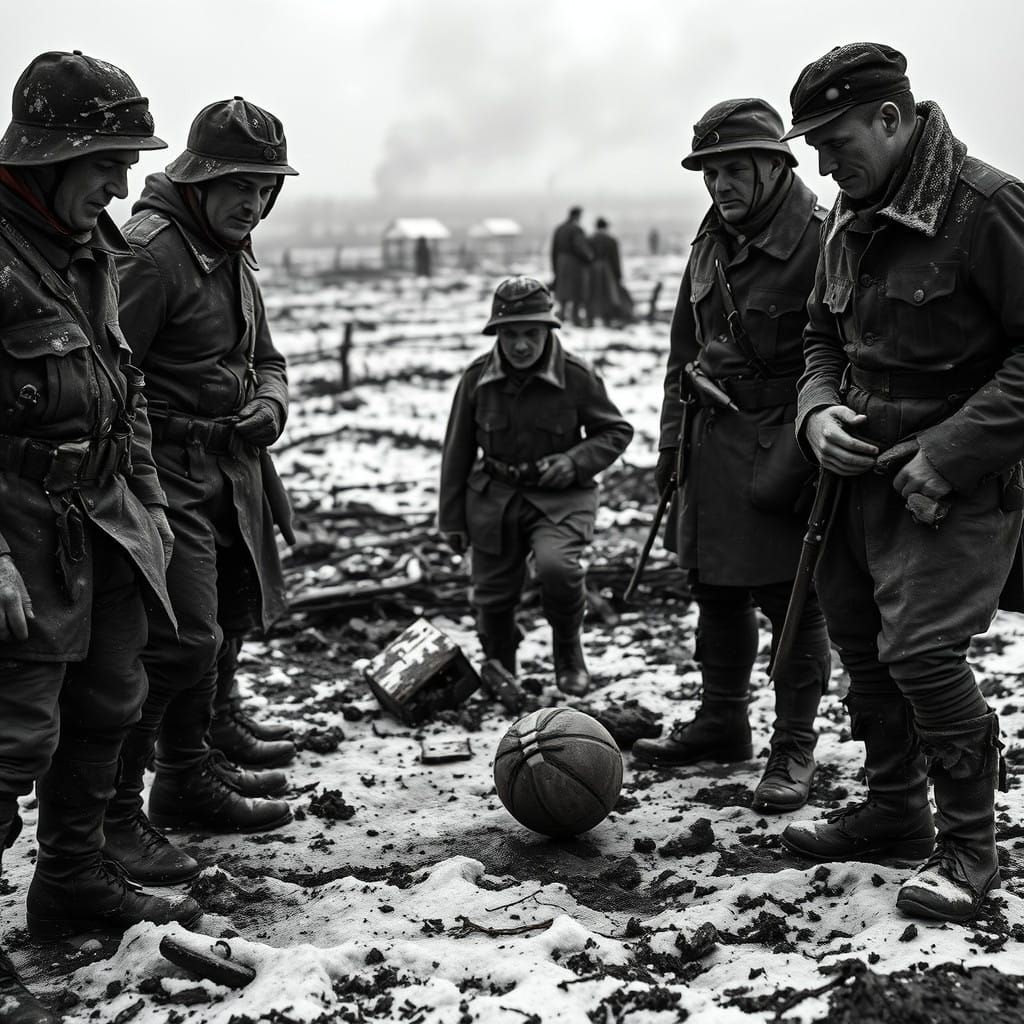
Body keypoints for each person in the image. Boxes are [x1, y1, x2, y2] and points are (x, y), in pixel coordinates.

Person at [777, 42, 1024, 924]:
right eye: (813, 146)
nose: (821, 165)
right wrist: (816, 413)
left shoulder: (987, 207)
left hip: (954, 484)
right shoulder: (851, 211)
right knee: (864, 643)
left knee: (921, 651)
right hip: (856, 479)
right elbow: (821, 338)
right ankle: (894, 811)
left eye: (833, 141)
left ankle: (968, 850)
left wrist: (949, 453)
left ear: (890, 118)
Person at [0, 50, 202, 1020]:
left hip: (107, 516)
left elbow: (128, 390)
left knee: (111, 702)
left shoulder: (88, 246)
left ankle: (71, 880)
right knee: (12, 737)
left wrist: (150, 504)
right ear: (46, 161)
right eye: (107, 163)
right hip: (19, 526)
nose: (121, 185)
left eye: (129, 163)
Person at [106, 97, 300, 887]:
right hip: (169, 471)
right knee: (182, 639)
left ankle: (191, 768)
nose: (252, 201)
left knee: (233, 610)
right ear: (198, 180)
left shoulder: (231, 249)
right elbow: (109, 381)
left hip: (232, 469)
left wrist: (271, 403)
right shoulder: (150, 255)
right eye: (237, 185)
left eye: (263, 187)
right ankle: (121, 809)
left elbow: (268, 358)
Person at [631, 99, 831, 815]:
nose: (720, 186)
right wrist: (670, 443)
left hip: (786, 446)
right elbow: (683, 353)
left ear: (775, 166)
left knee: (792, 599)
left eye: (735, 171)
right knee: (713, 590)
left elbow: (843, 353)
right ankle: (723, 721)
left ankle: (794, 743)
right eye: (710, 174)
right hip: (710, 442)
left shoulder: (822, 238)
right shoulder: (710, 241)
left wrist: (819, 447)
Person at [439, 277, 633, 696]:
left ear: (548, 330)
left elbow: (616, 431)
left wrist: (574, 461)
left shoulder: (576, 375)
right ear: (497, 334)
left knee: (557, 568)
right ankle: (500, 665)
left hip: (561, 498)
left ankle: (568, 650)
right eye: (510, 334)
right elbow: (457, 452)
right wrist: (451, 520)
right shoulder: (476, 379)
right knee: (491, 595)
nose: (521, 345)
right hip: (494, 496)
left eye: (531, 333)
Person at [550, 206, 593, 326]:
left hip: (560, 262)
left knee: (563, 289)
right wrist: (589, 257)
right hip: (574, 263)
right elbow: (580, 247)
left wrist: (555, 266)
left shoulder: (559, 228)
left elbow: (554, 249)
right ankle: (575, 317)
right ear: (577, 216)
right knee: (577, 290)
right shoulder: (576, 229)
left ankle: (562, 314)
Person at [587, 217, 630, 326]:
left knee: (594, 293)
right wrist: (618, 274)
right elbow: (615, 259)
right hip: (607, 269)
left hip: (593, 269)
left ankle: (591, 317)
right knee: (608, 294)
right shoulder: (611, 240)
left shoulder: (590, 239)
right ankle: (607, 319)